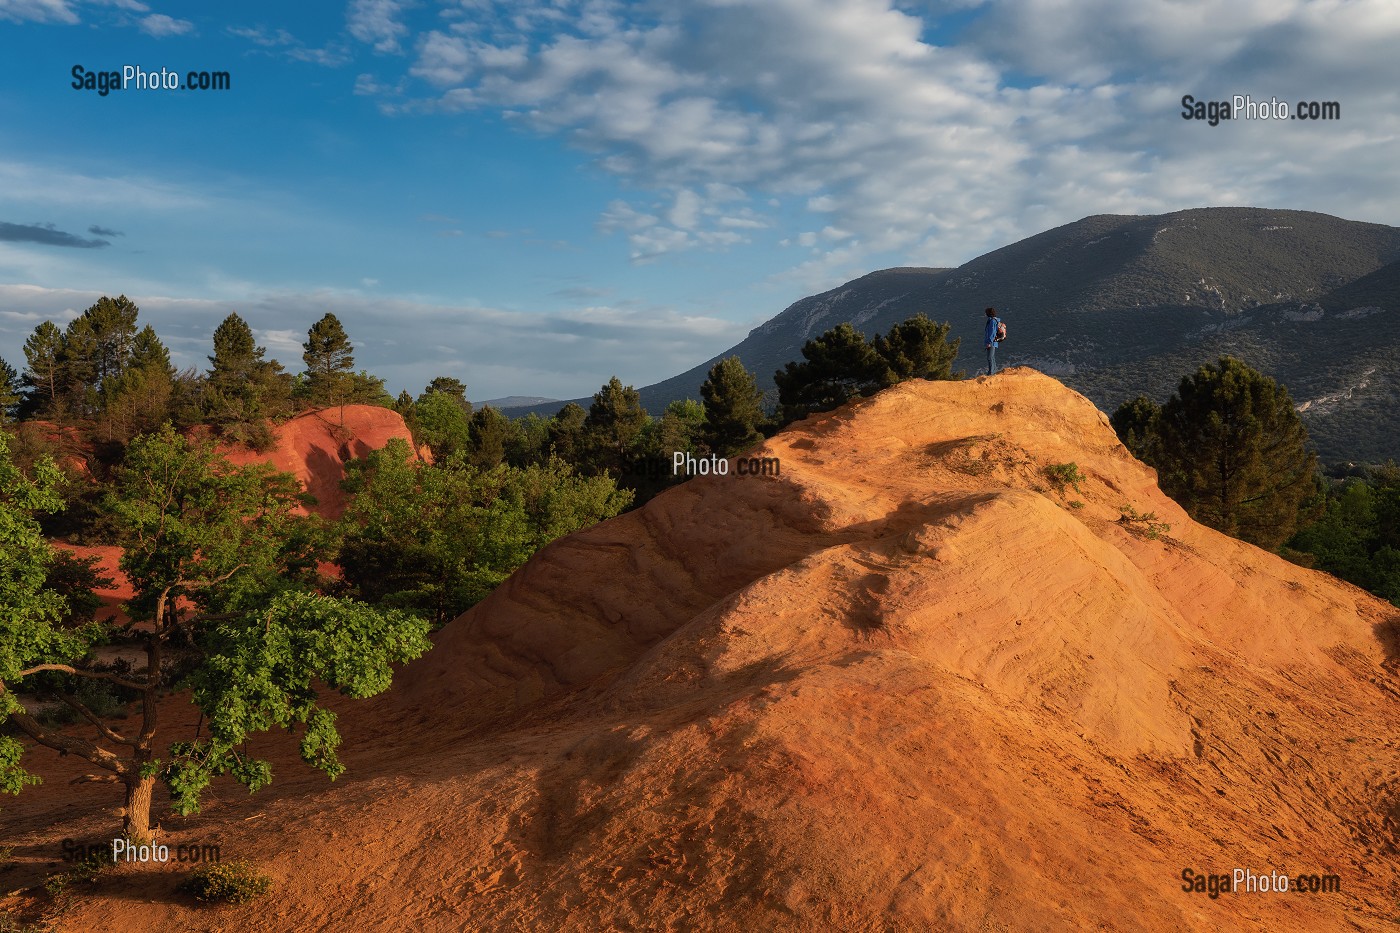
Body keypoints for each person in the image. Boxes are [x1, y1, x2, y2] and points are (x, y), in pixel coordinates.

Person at [983, 306, 1001, 376]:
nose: (985, 314)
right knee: (992, 357)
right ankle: (994, 370)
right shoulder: (993, 320)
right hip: (993, 342)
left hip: (992, 342)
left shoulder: (992, 321)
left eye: (986, 312)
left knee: (989, 357)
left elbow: (991, 333)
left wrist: (989, 342)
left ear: (989, 313)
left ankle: (991, 372)